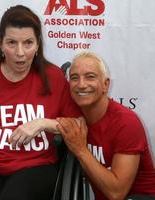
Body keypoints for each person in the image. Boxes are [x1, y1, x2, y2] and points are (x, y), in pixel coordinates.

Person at [0, 5, 80, 200]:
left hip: (36, 166)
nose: (20, 52)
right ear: (1, 44)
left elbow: (77, 125)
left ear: (38, 45)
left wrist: (41, 123)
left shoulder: (54, 77)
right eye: (11, 43)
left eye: (28, 43)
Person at [56, 51, 155, 200]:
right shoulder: (76, 114)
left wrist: (80, 150)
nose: (81, 85)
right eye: (74, 78)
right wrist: (38, 124)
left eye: (90, 77)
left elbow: (116, 193)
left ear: (105, 84)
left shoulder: (126, 122)